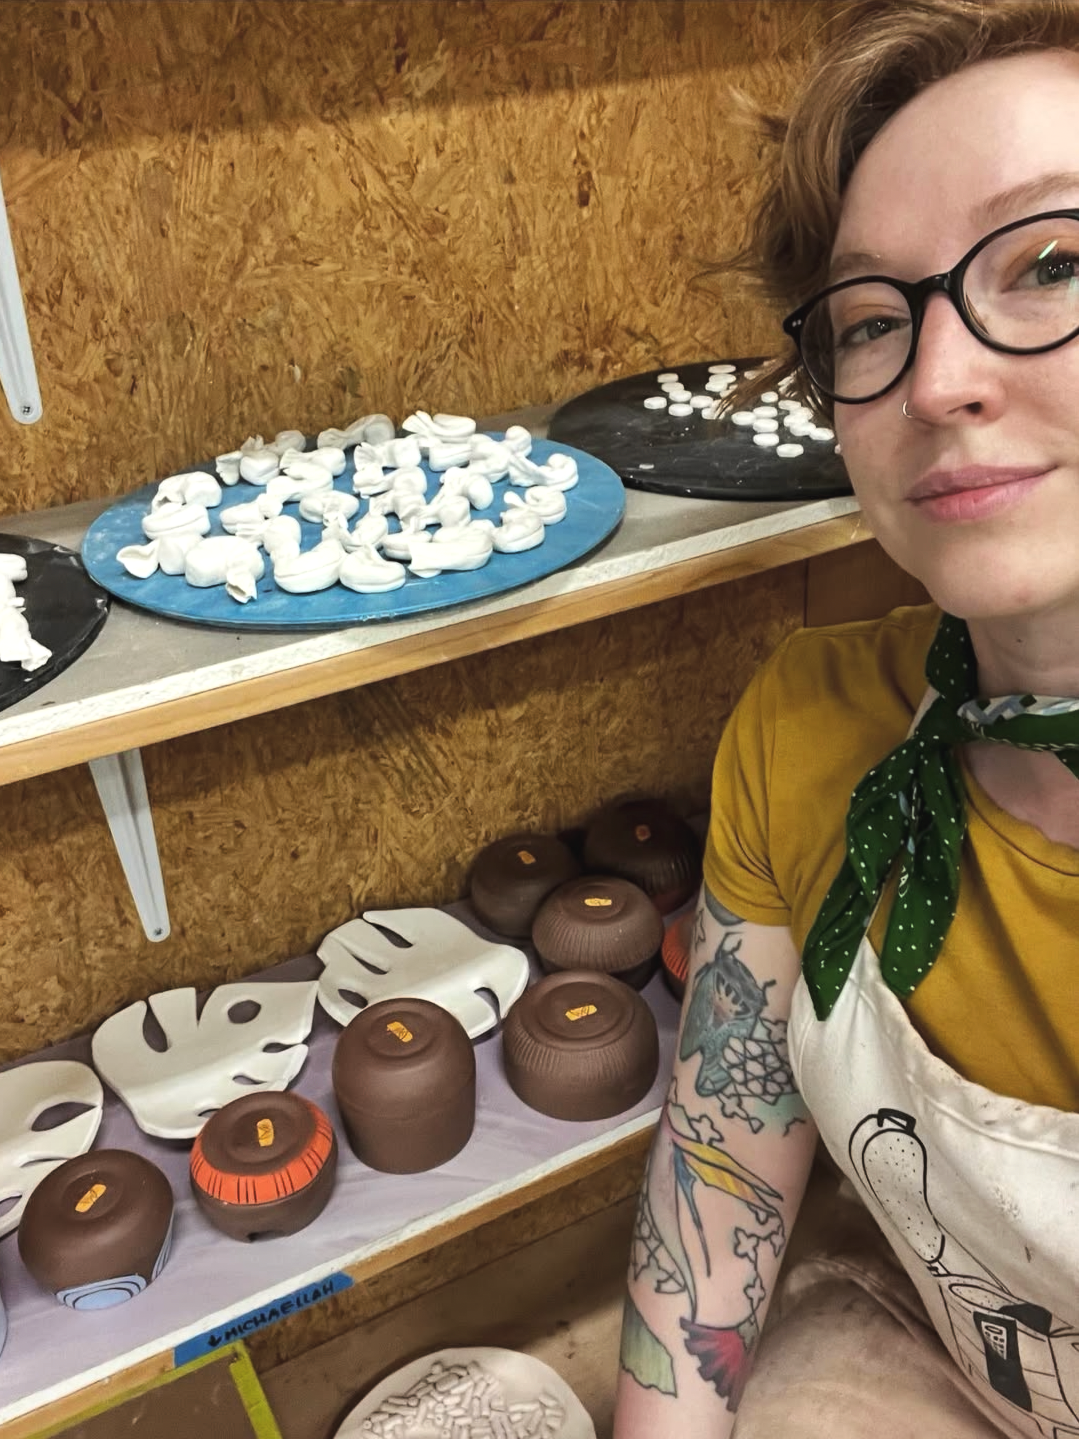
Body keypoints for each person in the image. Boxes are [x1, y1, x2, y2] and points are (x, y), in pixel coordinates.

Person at [612, 3, 1079, 1436]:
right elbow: (718, 1193)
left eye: (1051, 263)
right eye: (873, 320)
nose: (934, 380)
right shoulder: (807, 726)